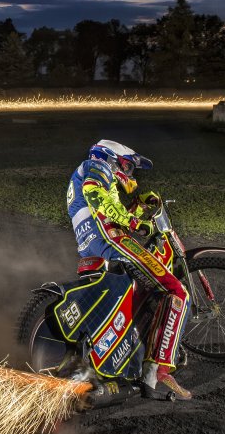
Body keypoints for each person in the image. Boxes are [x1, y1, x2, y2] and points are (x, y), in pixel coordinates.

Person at [66, 139, 192, 400]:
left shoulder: (85, 173)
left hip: (91, 246)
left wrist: (136, 205)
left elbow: (105, 209)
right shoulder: (97, 166)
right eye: (127, 166)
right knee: (176, 291)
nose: (129, 173)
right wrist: (134, 222)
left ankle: (129, 349)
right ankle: (155, 373)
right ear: (111, 159)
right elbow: (96, 196)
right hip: (111, 241)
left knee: (136, 291)